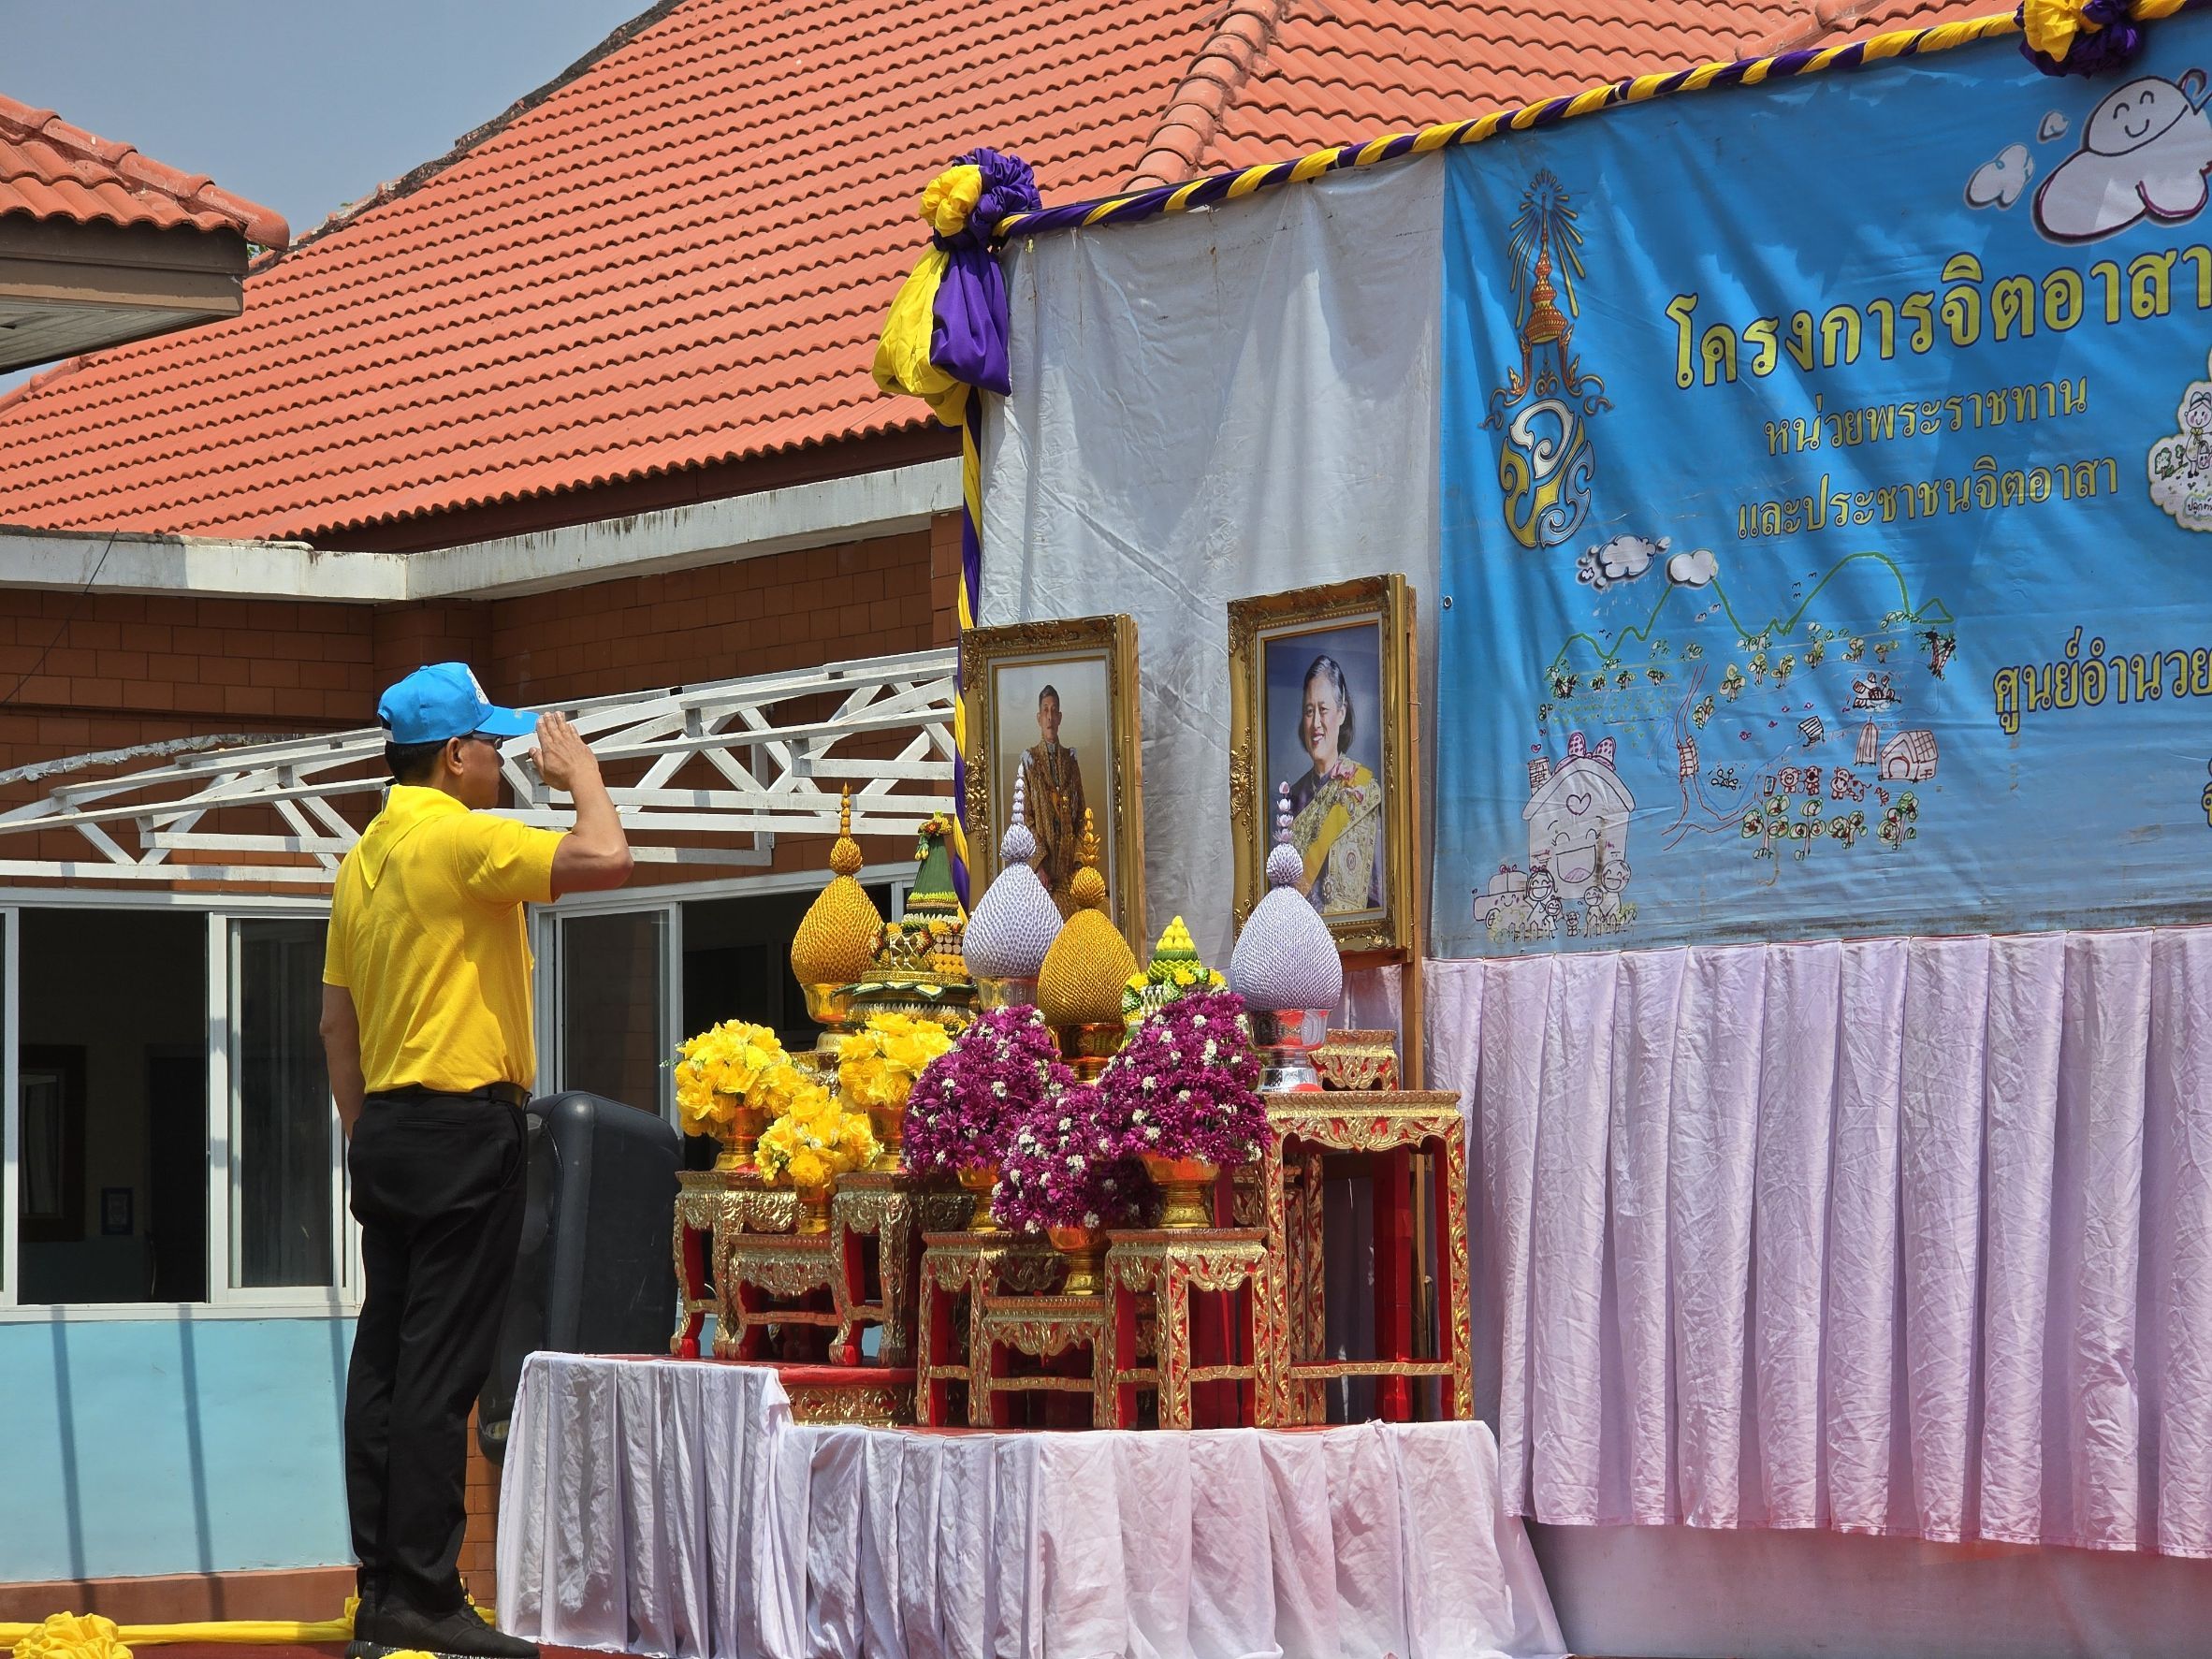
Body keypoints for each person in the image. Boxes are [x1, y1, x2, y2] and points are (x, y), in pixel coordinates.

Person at [321, 663, 633, 1659]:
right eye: (492, 747)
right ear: (454, 756)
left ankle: (381, 1590)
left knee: (385, 1361)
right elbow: (607, 854)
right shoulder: (459, 837)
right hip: (462, 1129)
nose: (502, 762)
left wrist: (367, 1133)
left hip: (387, 1129)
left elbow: (336, 1027)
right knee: (439, 1369)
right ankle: (424, 1591)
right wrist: (582, 775)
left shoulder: (362, 859)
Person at [1286, 653, 1384, 915]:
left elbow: (1377, 895)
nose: (1316, 724)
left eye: (1323, 709)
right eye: (1309, 711)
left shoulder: (1364, 790)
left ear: (1341, 713)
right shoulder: (1291, 800)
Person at [1016, 682, 1088, 916]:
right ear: (1039, 718)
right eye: (1045, 710)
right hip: (1042, 878)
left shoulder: (1070, 761)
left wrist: (1078, 862)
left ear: (1060, 717)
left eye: (1054, 710)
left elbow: (1081, 815)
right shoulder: (1029, 761)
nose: (1049, 716)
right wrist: (1039, 864)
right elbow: (1025, 819)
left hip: (1069, 874)